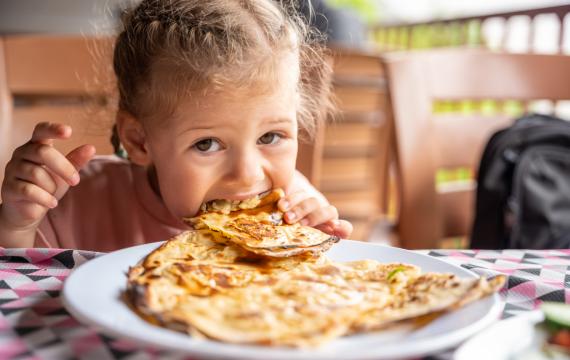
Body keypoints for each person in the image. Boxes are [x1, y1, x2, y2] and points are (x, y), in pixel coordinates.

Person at [0, 0, 352, 251]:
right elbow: (23, 282)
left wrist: (315, 242)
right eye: (207, 144)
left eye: (270, 137)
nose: (247, 175)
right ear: (139, 142)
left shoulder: (295, 204)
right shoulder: (78, 202)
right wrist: (18, 225)